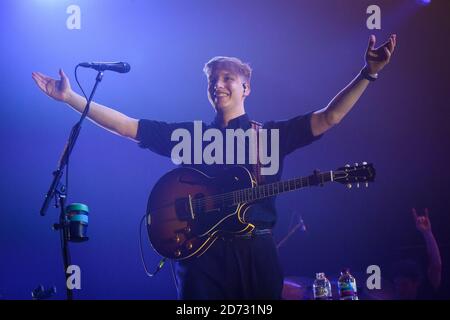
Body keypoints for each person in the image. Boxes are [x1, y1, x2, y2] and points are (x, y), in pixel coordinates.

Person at [32, 34, 396, 299]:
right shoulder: (191, 136)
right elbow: (128, 126)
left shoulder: (269, 136)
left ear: (246, 88)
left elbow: (329, 117)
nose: (217, 85)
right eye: (212, 80)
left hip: (256, 254)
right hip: (199, 258)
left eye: (226, 79)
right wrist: (70, 99)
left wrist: (369, 73)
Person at [391, 208, 442, 300]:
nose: (399, 289)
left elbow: (436, 266)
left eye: (404, 285)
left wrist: (427, 233)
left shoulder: (426, 293)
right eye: (397, 284)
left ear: (416, 283)